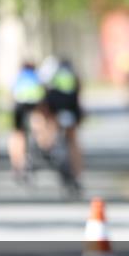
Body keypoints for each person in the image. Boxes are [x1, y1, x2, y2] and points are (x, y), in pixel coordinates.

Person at [37, 55, 84, 183]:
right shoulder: (72, 75)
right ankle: (77, 174)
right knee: (73, 141)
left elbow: (44, 90)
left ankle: (47, 148)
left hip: (56, 109)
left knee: (49, 125)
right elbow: (79, 92)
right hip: (71, 109)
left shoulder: (52, 73)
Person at [8, 61, 45, 181]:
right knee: (38, 120)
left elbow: (12, 94)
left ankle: (16, 163)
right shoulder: (36, 76)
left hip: (19, 106)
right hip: (34, 105)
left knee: (17, 134)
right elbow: (43, 94)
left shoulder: (19, 77)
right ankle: (40, 143)